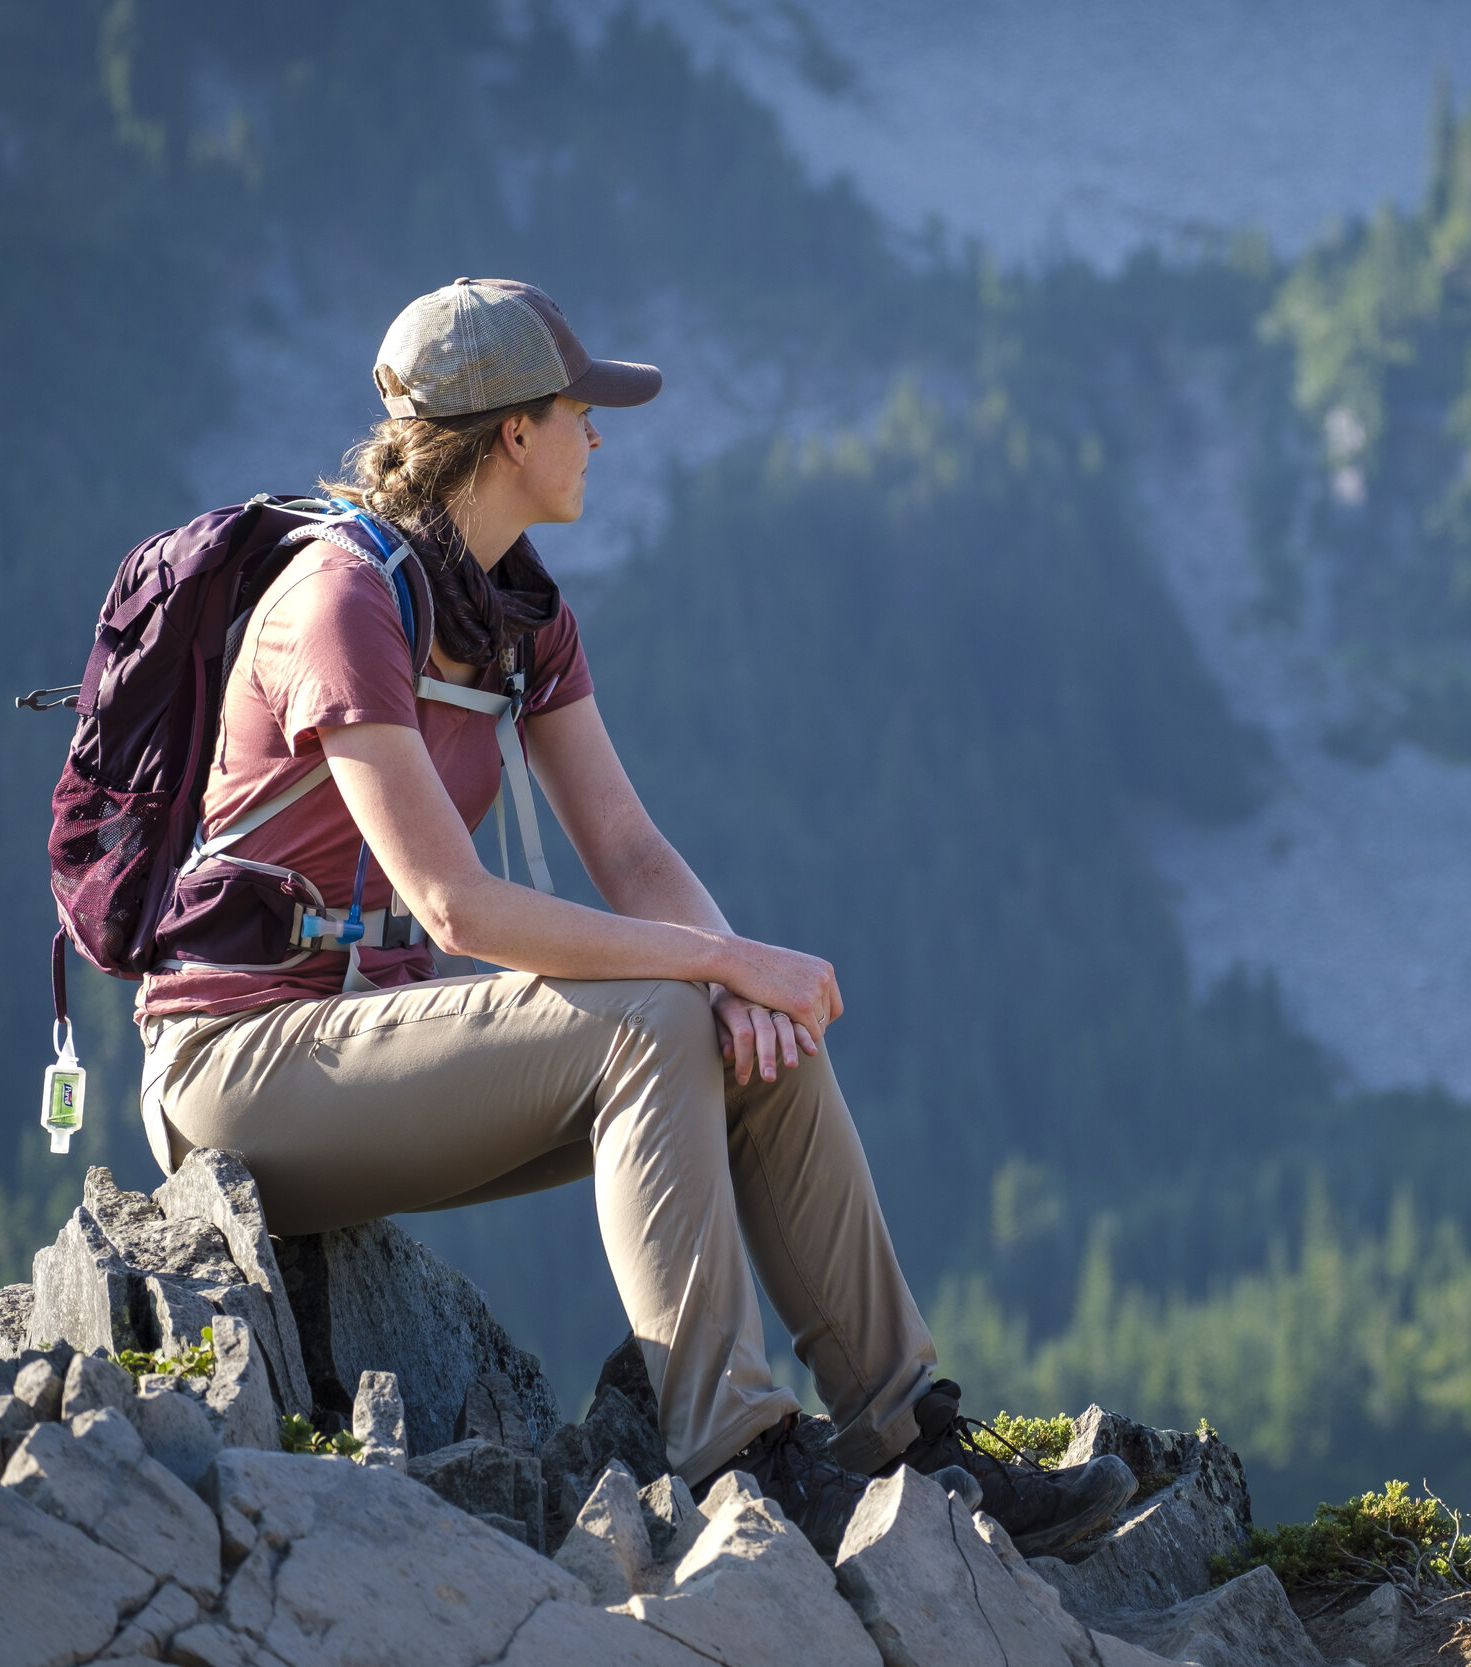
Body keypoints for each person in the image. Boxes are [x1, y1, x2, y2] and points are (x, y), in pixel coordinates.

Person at [133, 277, 1134, 1555]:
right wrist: (717, 959)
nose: (596, 436)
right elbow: (458, 902)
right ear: (509, 433)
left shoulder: (517, 614)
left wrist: (737, 986)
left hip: (375, 1040)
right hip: (238, 1070)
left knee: (736, 1025)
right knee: (658, 1013)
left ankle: (914, 1442)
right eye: (577, 410)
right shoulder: (339, 605)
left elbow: (629, 848)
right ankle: (746, 1457)